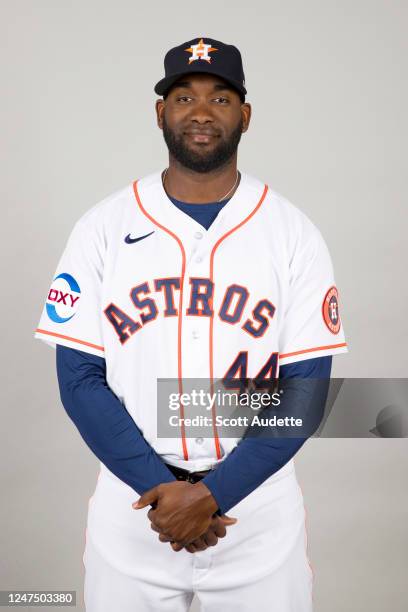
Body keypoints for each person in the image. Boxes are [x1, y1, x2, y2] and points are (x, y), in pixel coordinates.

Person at [34, 37, 348, 612]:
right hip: (135, 508)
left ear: (245, 116)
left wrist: (214, 494)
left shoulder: (292, 232)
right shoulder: (102, 227)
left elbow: (307, 390)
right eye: (184, 97)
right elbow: (78, 377)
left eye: (220, 98)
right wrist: (163, 495)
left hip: (254, 511)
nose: (201, 111)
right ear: (161, 113)